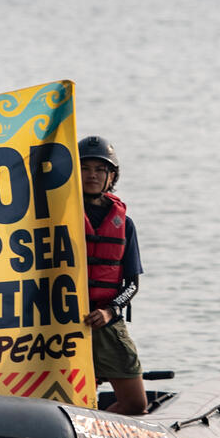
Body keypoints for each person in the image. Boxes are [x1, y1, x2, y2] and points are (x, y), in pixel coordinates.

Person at [79, 135, 147, 415]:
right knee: (74, 398)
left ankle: (97, 434)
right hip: (60, 324)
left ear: (112, 176)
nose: (92, 175)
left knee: (135, 405)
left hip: (105, 322)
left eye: (100, 169)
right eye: (85, 168)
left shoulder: (124, 224)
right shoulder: (55, 215)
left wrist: (110, 311)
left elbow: (132, 284)